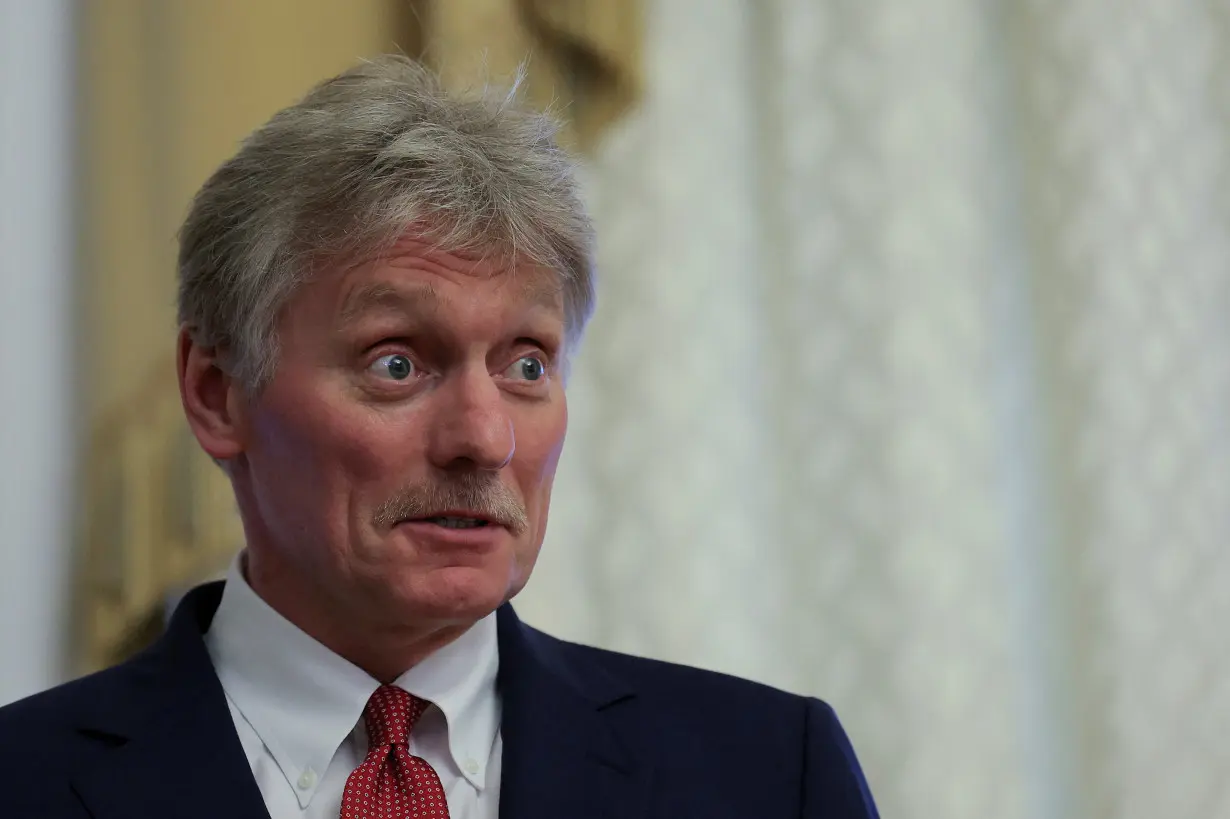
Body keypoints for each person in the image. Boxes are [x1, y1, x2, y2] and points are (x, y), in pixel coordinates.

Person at [0, 56, 878, 819]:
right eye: (397, 364)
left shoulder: (767, 772)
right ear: (216, 393)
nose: (484, 437)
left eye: (526, 365)